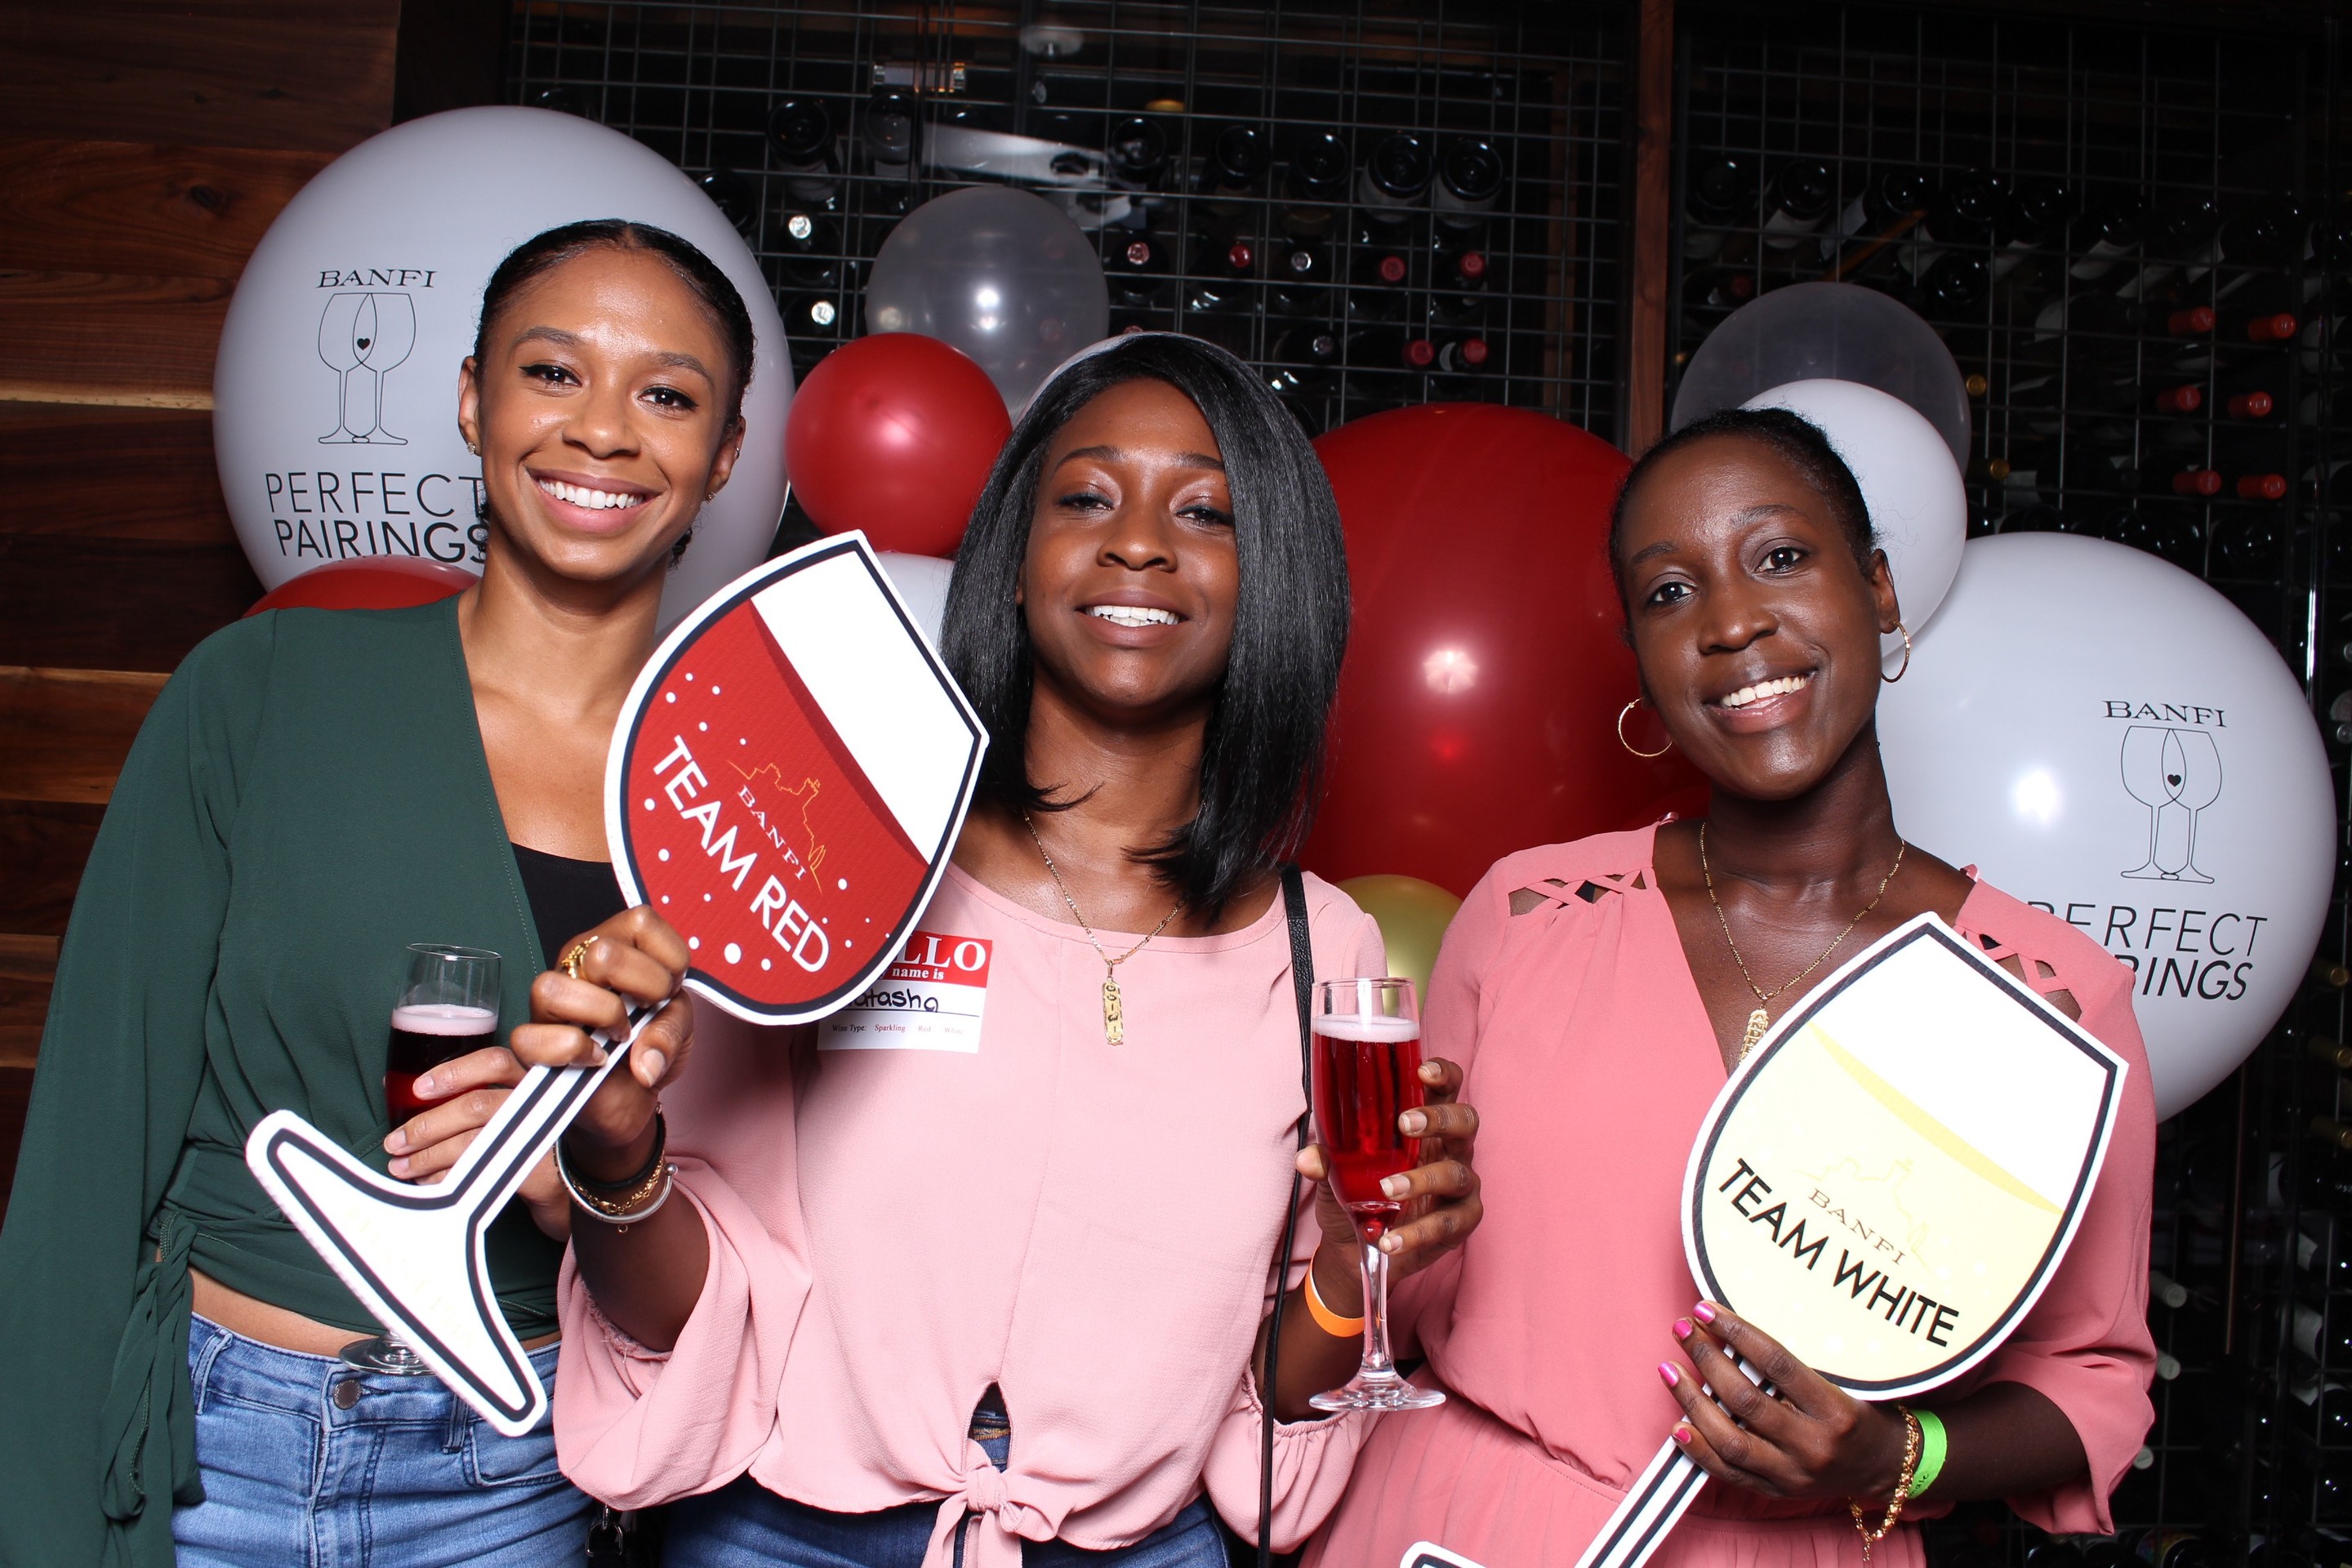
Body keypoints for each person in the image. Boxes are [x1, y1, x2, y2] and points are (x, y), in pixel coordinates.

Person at [520, 333, 1485, 1567]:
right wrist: (613, 1160)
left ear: (1272, 582)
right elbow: (678, 1320)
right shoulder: (852, 860)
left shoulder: (1322, 948)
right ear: (1016, 564)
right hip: (780, 1540)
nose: (1138, 543)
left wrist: (1352, 1261)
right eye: (1085, 498)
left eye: (1205, 511)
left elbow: (1273, 1411)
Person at [0, 218, 751, 1566]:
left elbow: (718, 1281)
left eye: (667, 395)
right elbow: (89, 1145)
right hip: (207, 1452)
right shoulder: (261, 693)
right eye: (553, 371)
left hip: (514, 1479)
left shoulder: (743, 816)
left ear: (727, 456)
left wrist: (584, 1175)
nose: (602, 430)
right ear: (471, 400)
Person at [1306, 407, 2158, 1568]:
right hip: (1462, 1526)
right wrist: (1366, 1240)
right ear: (1641, 662)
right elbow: (1391, 1306)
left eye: (1782, 557)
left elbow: (2090, 1380)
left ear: (1880, 590)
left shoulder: (2046, 999)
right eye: (1670, 593)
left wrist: (1896, 1458)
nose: (1732, 622)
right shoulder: (1529, 915)